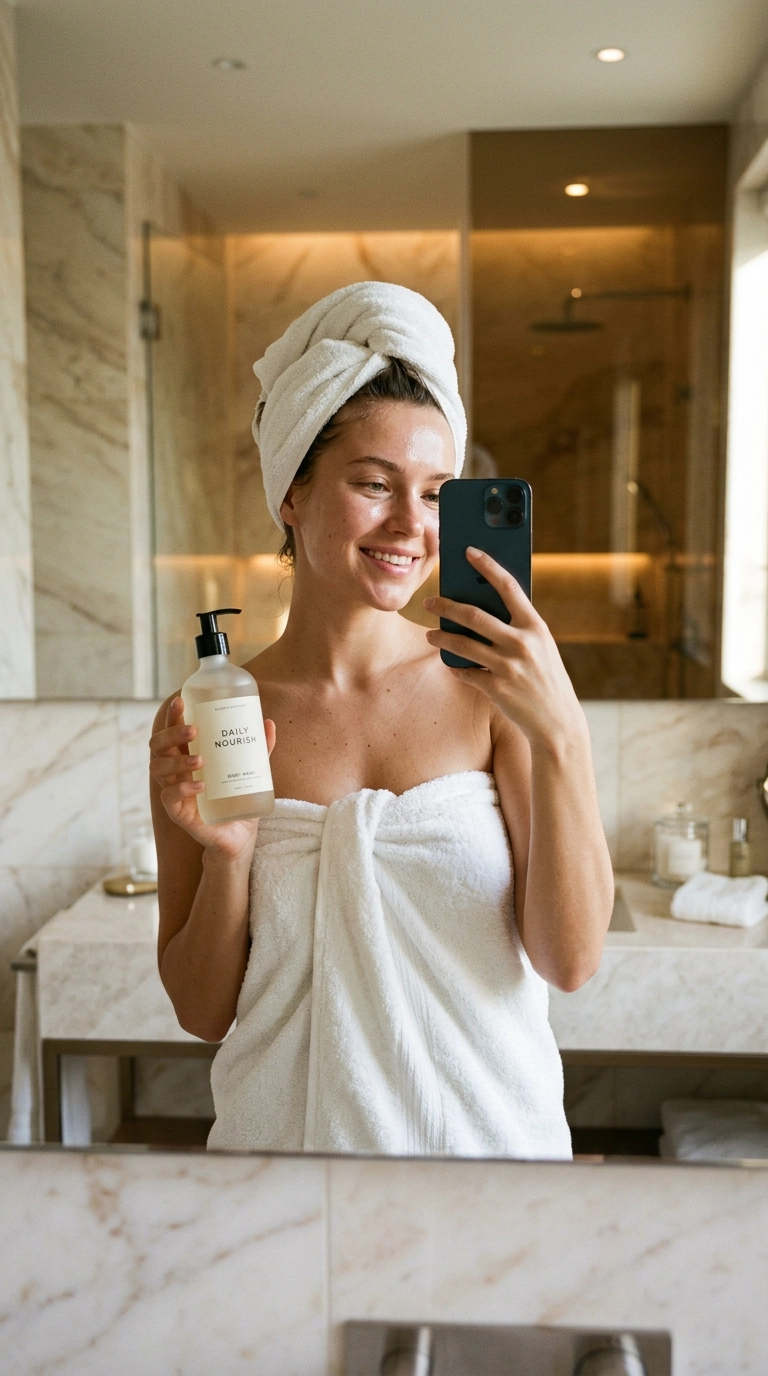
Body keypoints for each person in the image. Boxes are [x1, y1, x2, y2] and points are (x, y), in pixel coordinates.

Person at [149, 282, 613, 1158]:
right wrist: (231, 856)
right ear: (292, 494)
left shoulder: (493, 691)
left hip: (489, 1163)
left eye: (438, 492)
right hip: (283, 1173)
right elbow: (203, 1012)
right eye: (374, 483)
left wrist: (561, 735)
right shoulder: (214, 714)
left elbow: (572, 961)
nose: (412, 525)